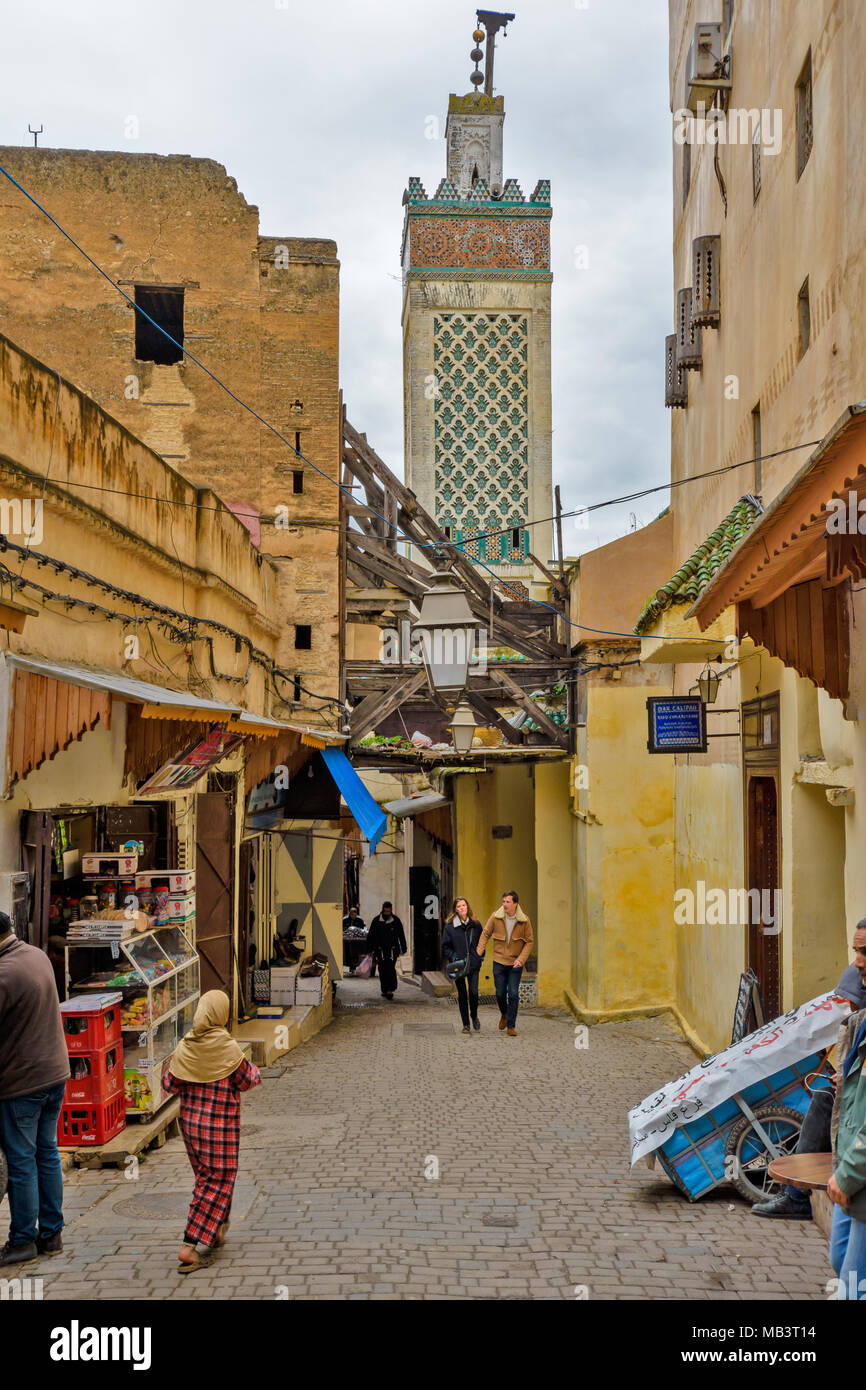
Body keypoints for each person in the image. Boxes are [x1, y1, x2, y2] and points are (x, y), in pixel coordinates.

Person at [752, 961, 866, 1220]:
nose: (849, 1006)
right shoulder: (856, 1022)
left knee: (825, 1099)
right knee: (825, 1094)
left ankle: (796, 1195)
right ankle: (796, 1191)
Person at [162, 990, 261, 1273]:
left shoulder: (187, 1045)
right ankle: (190, 1245)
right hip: (219, 1127)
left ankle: (215, 1229)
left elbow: (169, 1083)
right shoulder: (227, 1047)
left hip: (191, 1128)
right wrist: (255, 1070)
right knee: (217, 1179)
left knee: (208, 1177)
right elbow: (246, 1079)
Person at [0, 912, 70, 1266]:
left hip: (22, 1083)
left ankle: (23, 1240)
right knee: (47, 1152)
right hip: (55, 1074)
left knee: (21, 1160)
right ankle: (52, 1233)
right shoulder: (36, 955)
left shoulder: (4, 974)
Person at [827, 920, 866, 1298]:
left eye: (865, 952)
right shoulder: (859, 1024)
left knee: (852, 1289)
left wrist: (849, 1173)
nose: (857, 962)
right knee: (840, 1262)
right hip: (849, 1171)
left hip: (858, 1174)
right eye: (855, 950)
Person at [476, 890, 533, 1037]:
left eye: (508, 902)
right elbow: (485, 933)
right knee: (500, 993)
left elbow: (529, 942)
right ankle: (504, 1014)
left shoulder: (524, 920)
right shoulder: (496, 917)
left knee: (513, 994)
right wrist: (479, 951)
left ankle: (511, 1025)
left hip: (516, 963)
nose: (505, 904)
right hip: (499, 962)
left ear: (515, 903)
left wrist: (521, 959)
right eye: (503, 901)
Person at [442, 897, 483, 1034]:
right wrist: (453, 956)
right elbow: (445, 947)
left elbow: (481, 943)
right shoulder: (449, 927)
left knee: (473, 992)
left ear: (467, 907)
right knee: (462, 995)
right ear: (455, 909)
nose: (461, 908)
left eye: (464, 905)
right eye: (459, 906)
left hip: (473, 964)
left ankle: (475, 1016)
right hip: (458, 966)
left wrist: (479, 957)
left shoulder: (476, 925)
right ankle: (466, 1024)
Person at [367, 901, 407, 1000]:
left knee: (390, 968)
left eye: (389, 911)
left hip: (393, 950)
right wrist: (369, 949)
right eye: (386, 911)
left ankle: (390, 989)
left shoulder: (396, 920)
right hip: (380, 950)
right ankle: (384, 989)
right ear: (383, 910)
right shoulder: (376, 921)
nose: (387, 913)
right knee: (382, 969)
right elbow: (371, 936)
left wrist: (403, 947)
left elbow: (401, 935)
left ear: (391, 910)